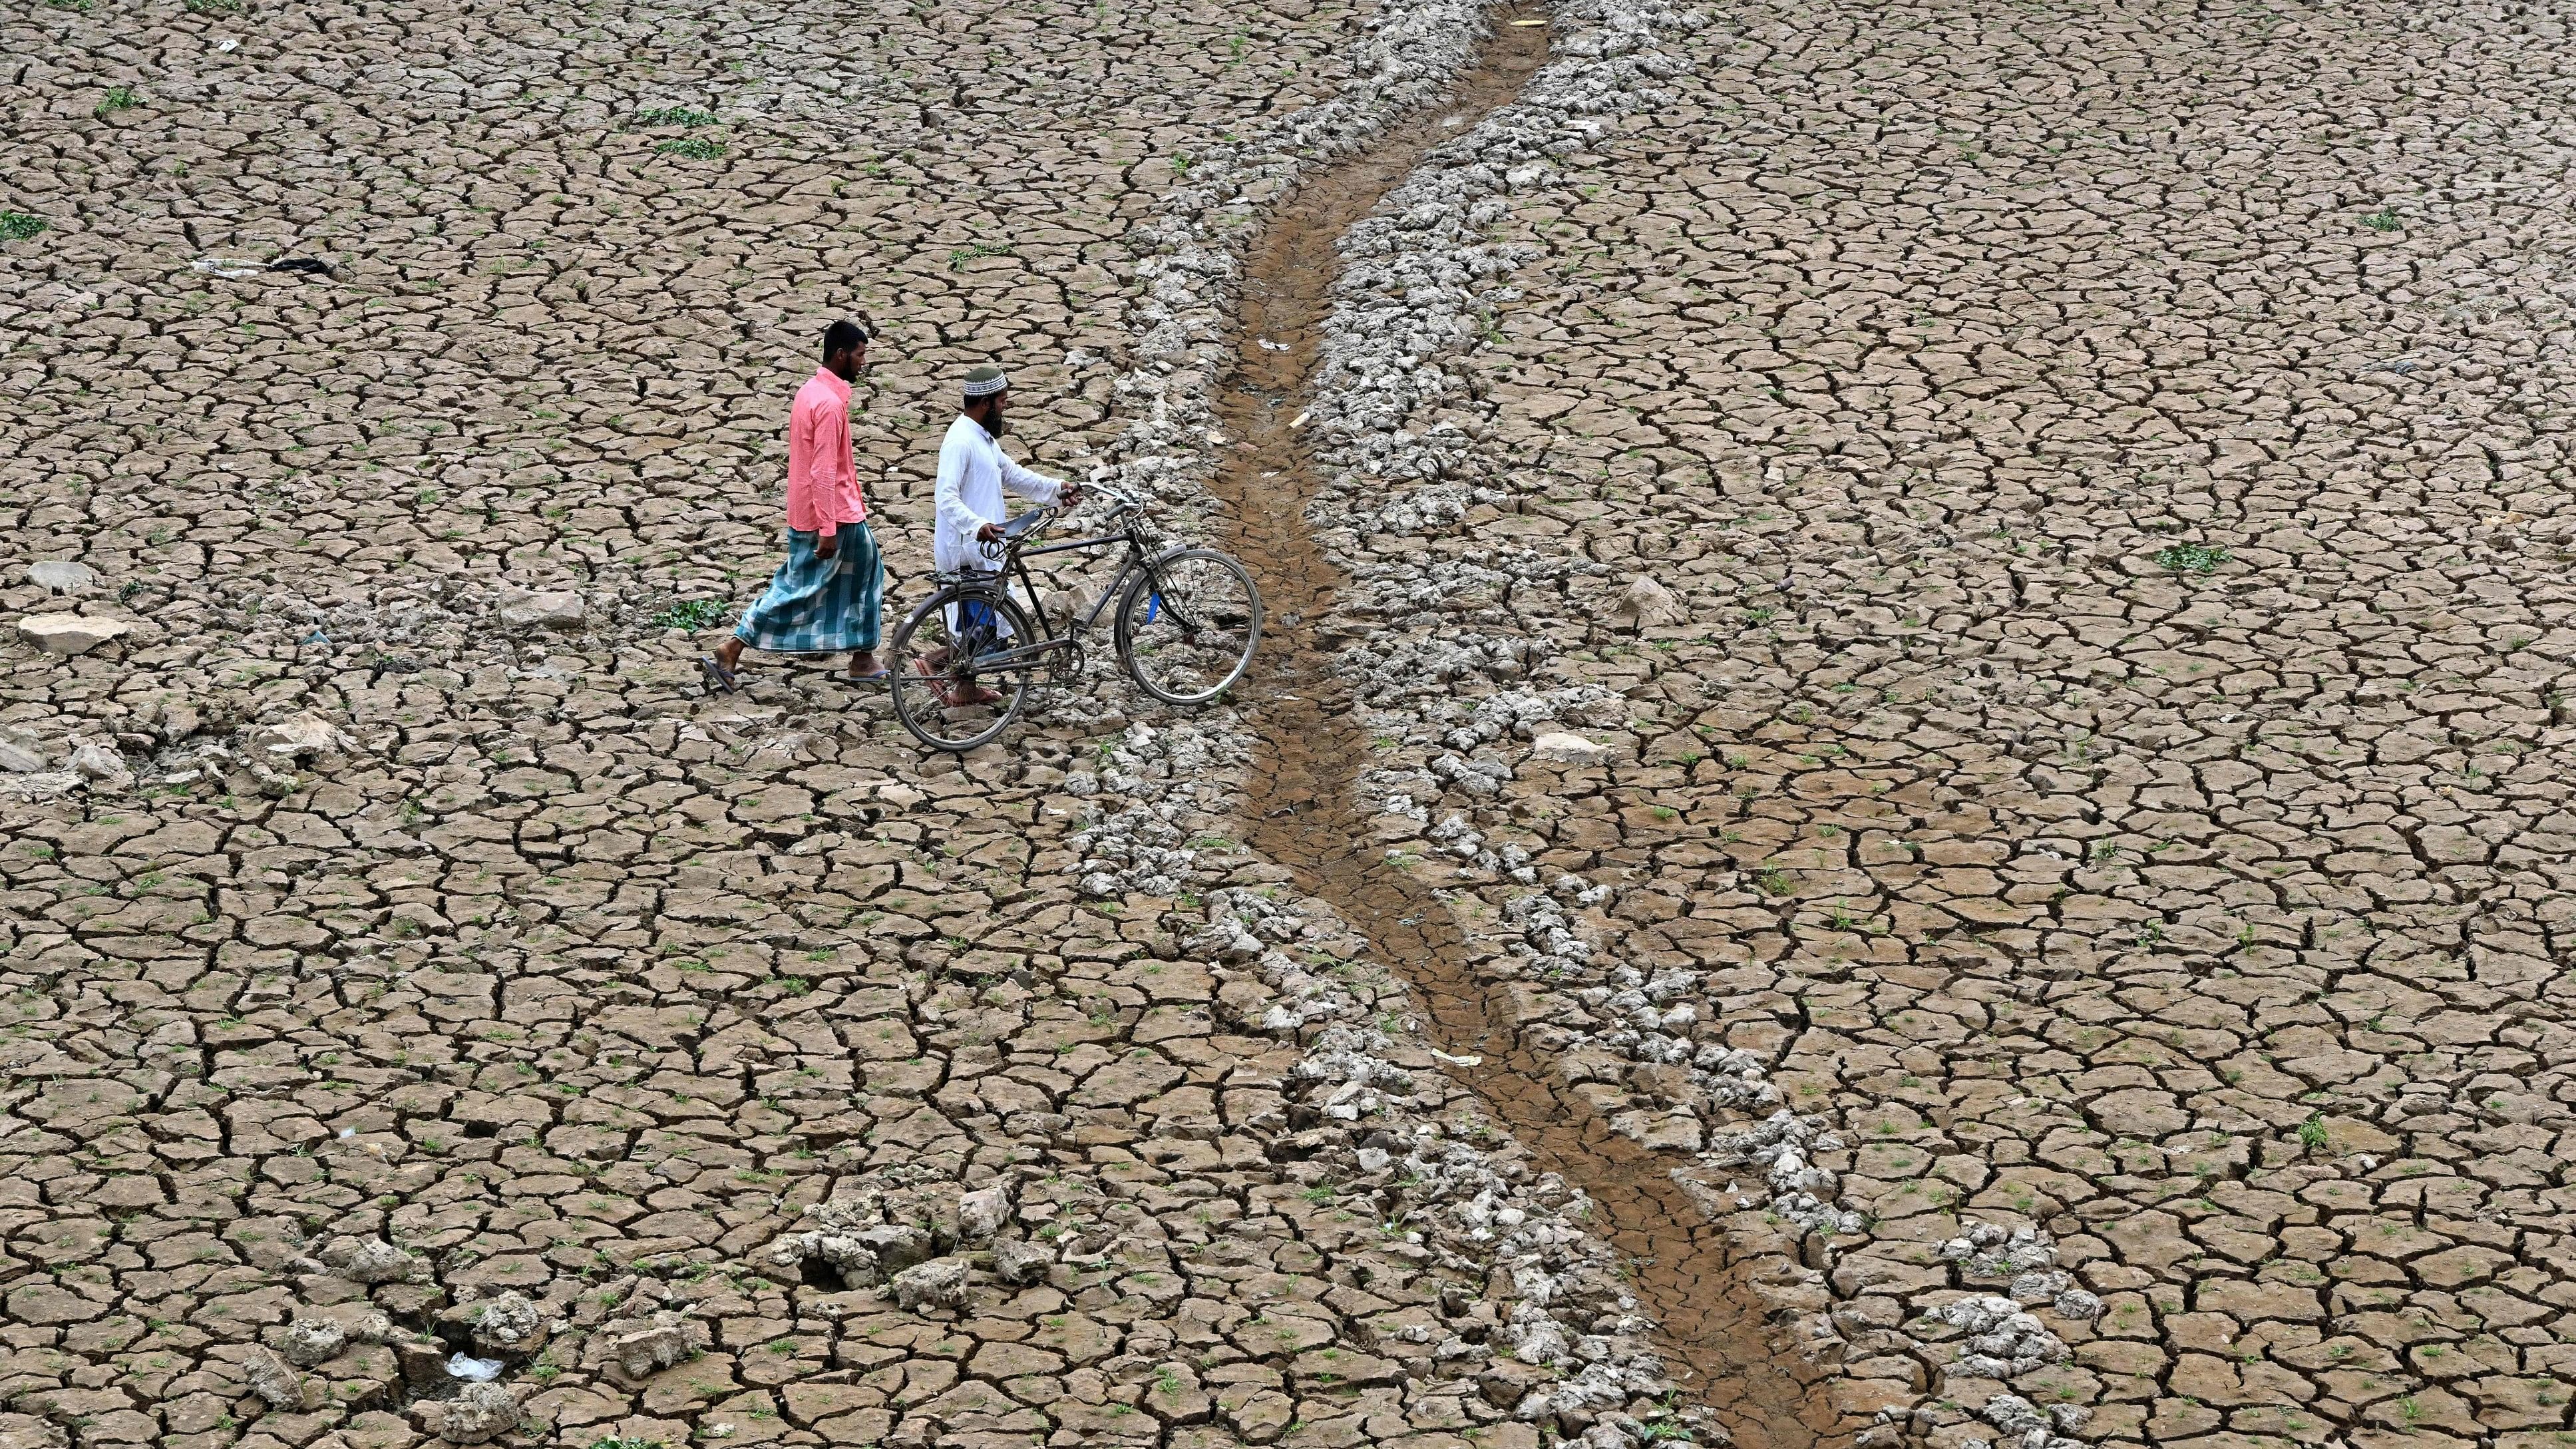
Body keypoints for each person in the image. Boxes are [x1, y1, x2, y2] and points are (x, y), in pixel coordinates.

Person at [702, 320, 888, 691]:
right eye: (860, 355)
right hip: (834, 513)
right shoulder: (830, 404)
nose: (863, 363)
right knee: (848, 581)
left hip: (810, 510)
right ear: (841, 355)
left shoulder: (810, 390)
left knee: (816, 582)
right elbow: (822, 471)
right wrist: (829, 529)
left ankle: (861, 655)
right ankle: (736, 646)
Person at [916, 363, 1081, 704]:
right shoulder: (960, 441)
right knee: (980, 621)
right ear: (986, 403)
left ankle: (963, 688)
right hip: (969, 547)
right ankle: (938, 664)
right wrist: (977, 525)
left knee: (986, 623)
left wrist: (1058, 489)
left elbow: (1014, 475)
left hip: (986, 546)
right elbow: (944, 496)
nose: (1006, 408)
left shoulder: (983, 439)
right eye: (1003, 402)